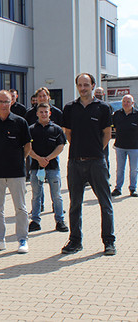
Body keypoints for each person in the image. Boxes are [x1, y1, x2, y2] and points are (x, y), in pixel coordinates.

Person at [61, 73, 115, 255]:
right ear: (77, 86)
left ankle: (109, 242)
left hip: (97, 163)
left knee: (105, 203)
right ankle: (75, 241)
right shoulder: (70, 108)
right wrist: (79, 149)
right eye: (80, 85)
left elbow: (106, 134)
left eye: (86, 84)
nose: (83, 88)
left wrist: (95, 150)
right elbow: (68, 133)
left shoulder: (103, 108)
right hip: (75, 162)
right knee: (75, 204)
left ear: (93, 85)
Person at [0, 90, 31, 254]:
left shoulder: (20, 122)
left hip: (16, 172)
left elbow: (27, 147)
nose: (3, 105)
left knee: (21, 208)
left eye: (6, 101)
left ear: (11, 102)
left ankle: (22, 239)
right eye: (0, 101)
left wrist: (16, 160)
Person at [27, 103, 69, 233]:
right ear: (37, 114)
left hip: (53, 167)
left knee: (56, 195)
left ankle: (60, 220)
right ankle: (35, 220)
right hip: (35, 167)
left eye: (46, 112)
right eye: (41, 112)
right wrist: (39, 159)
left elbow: (61, 146)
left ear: (49, 113)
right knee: (36, 195)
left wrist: (48, 158)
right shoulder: (31, 129)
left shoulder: (56, 129)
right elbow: (27, 148)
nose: (44, 114)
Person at [111, 94, 138, 197]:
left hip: (134, 147)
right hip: (120, 146)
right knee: (120, 169)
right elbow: (115, 129)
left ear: (132, 103)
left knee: (134, 169)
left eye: (128, 102)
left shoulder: (137, 114)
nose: (126, 104)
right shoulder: (117, 114)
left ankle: (133, 188)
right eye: (124, 102)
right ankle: (118, 188)